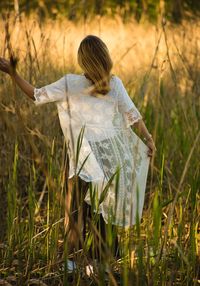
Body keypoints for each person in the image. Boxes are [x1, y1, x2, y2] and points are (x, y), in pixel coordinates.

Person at [0, 35, 156, 267]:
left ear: (83, 61)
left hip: (81, 158)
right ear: (105, 58)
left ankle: (74, 262)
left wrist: (13, 73)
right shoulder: (115, 84)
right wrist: (148, 138)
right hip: (107, 157)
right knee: (104, 209)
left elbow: (36, 94)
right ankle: (103, 261)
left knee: (76, 210)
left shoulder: (71, 83)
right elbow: (132, 115)